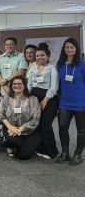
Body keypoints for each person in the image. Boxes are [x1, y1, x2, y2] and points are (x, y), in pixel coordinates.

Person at [56, 37, 85, 165]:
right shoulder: (60, 64)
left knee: (81, 130)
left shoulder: (83, 64)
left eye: (72, 47)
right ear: (64, 49)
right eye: (67, 47)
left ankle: (78, 154)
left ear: (76, 49)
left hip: (81, 102)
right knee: (62, 127)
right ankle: (65, 153)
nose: (69, 49)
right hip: (65, 102)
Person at [27, 43, 59, 160]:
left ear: (48, 55)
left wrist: (45, 100)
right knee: (37, 124)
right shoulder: (33, 67)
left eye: (42, 55)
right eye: (38, 56)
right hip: (34, 97)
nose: (40, 58)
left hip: (49, 99)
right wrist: (28, 97)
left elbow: (54, 87)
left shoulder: (52, 67)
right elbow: (29, 84)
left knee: (46, 125)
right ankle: (40, 148)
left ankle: (52, 151)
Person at [0, 76, 41, 160]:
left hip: (29, 130)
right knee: (14, 141)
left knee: (24, 156)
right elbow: (1, 114)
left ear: (24, 85)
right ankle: (11, 145)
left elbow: (35, 119)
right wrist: (10, 127)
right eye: (14, 84)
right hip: (10, 129)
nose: (16, 86)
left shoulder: (33, 99)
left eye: (19, 84)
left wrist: (20, 130)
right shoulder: (6, 97)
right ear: (11, 86)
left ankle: (23, 145)